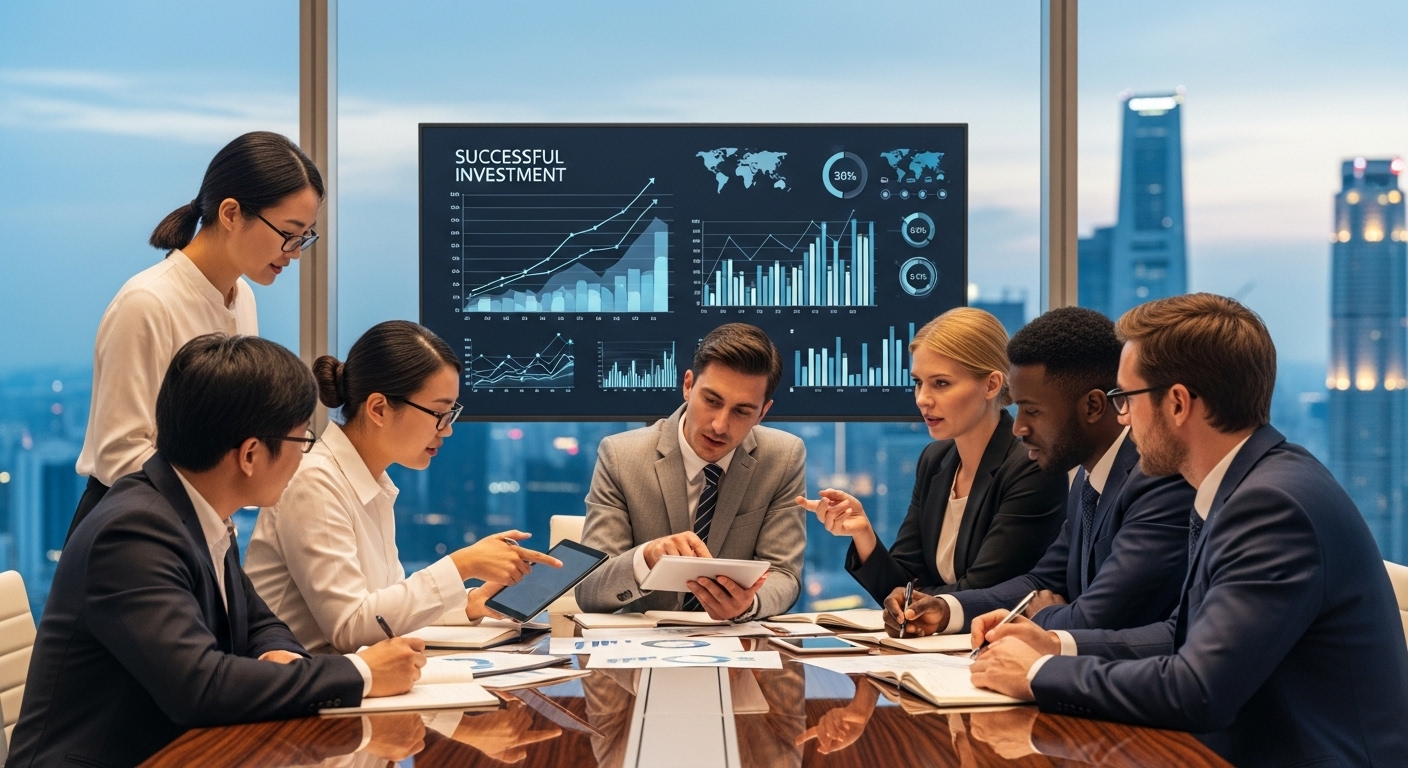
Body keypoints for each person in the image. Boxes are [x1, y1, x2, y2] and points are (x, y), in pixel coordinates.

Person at [969, 294, 1408, 767]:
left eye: (1126, 399)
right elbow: (1182, 633)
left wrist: (1039, 673)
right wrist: (1056, 643)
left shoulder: (1272, 505)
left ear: (1177, 403)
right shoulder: (1241, 484)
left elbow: (1197, 691)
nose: (1122, 419)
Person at [6, 335, 426, 767]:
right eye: (301, 442)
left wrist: (276, 657)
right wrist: (364, 673)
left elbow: (261, 623)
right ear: (250, 454)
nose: (304, 459)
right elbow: (201, 688)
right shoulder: (133, 533)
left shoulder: (197, 510)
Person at [246, 320, 560, 654]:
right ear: (378, 409)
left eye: (451, 414)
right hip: (304, 691)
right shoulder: (314, 481)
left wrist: (471, 602)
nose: (447, 430)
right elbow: (351, 627)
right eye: (439, 413)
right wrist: (461, 565)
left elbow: (385, 610)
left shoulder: (370, 482)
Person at [70, 131, 323, 541]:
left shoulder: (243, 298)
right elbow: (119, 452)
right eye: (289, 233)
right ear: (230, 213)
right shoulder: (148, 303)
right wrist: (214, 501)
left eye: (305, 237)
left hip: (201, 524)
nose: (294, 252)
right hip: (129, 530)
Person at [883, 307, 1194, 637]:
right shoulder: (1089, 482)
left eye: (1032, 411)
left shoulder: (1158, 480)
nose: (1018, 427)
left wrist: (1044, 615)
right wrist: (946, 610)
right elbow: (1042, 580)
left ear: (1093, 406)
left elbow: (1100, 615)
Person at [800, 308, 1066, 604]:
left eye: (941, 383)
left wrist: (912, 600)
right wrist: (863, 534)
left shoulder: (1030, 467)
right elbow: (899, 588)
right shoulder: (935, 460)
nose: (922, 398)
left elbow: (982, 593)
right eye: (918, 382)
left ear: (991, 384)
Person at [574, 323, 805, 621]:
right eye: (711, 401)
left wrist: (749, 604)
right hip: (643, 648)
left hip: (737, 647)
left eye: (742, 411)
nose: (720, 425)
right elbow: (589, 589)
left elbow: (785, 574)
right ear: (687, 385)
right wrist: (647, 557)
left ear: (762, 412)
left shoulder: (783, 457)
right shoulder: (621, 456)